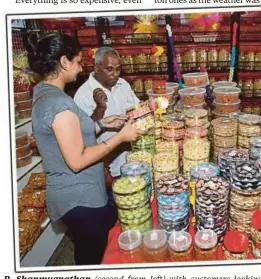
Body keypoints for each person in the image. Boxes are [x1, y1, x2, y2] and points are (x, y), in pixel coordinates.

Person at [25, 32, 141, 265]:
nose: (80, 69)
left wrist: (100, 124)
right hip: (80, 198)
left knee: (91, 245)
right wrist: (120, 138)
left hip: (74, 195)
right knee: (92, 256)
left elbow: (68, 137)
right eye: (78, 62)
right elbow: (77, 160)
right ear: (64, 62)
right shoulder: (60, 103)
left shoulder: (43, 95)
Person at [74, 46, 140, 181]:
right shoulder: (83, 95)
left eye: (118, 69)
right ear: (97, 68)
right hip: (108, 167)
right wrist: (99, 109)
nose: (115, 73)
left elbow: (136, 109)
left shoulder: (123, 84)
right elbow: (83, 133)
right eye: (109, 69)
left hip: (134, 159)